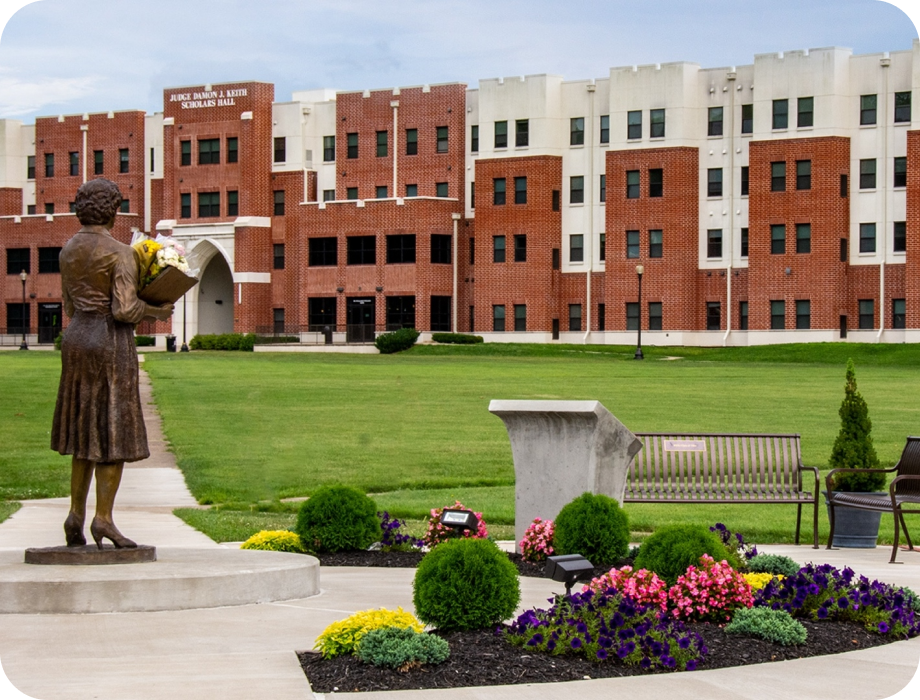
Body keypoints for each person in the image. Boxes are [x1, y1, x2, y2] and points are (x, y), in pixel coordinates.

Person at [51, 178, 174, 549]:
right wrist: (158, 309)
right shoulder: (122, 253)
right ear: (114, 211)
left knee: (83, 428)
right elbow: (124, 309)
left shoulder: (67, 251)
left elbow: (70, 306)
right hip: (109, 342)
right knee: (111, 430)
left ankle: (75, 513)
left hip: (76, 338)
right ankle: (102, 519)